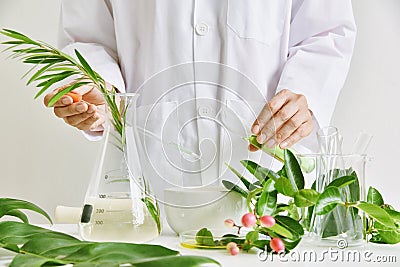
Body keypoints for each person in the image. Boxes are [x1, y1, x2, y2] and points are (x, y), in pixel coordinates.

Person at [44, 0, 356, 158]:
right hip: (149, 182)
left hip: (265, 179)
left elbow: (326, 31)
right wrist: (100, 91)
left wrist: (305, 94)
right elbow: (87, 36)